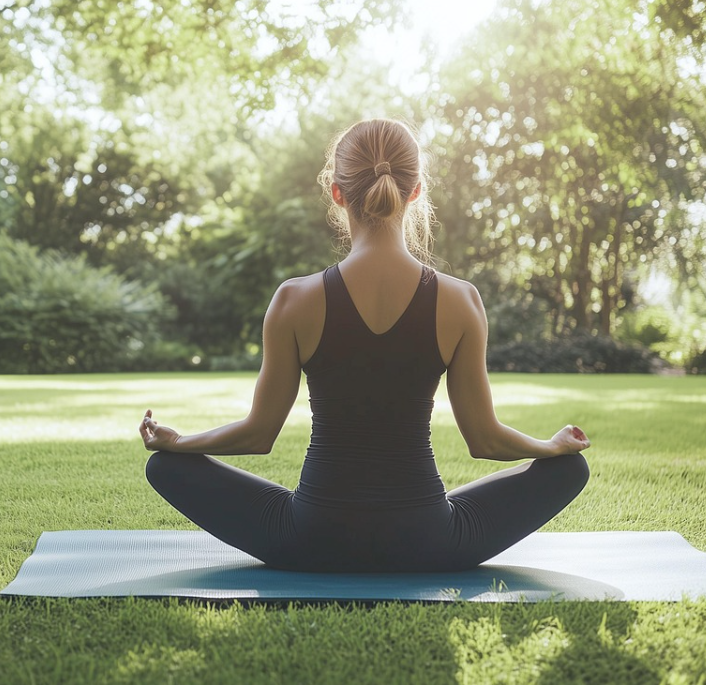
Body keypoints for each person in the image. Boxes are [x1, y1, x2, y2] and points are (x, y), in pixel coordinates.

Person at [139, 118, 590, 572]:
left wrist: (180, 442)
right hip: (429, 540)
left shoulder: (294, 300)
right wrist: (550, 448)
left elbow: (259, 435)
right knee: (571, 471)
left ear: (337, 193)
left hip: (311, 538)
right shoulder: (461, 300)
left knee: (165, 467)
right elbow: (485, 439)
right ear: (415, 192)